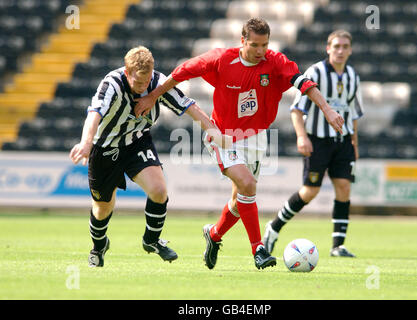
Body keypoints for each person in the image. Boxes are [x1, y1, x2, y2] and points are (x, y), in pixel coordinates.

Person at [134, 18, 344, 270]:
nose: (260, 51)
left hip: (257, 137)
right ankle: (259, 249)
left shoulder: (275, 61)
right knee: (248, 184)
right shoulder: (222, 59)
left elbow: (304, 84)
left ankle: (213, 235)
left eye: (264, 44)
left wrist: (328, 110)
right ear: (242, 40)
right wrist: (152, 97)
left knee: (239, 200)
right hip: (223, 134)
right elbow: (181, 73)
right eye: (254, 44)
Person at [69, 46, 229, 267]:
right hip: (105, 147)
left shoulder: (157, 83)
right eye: (137, 83)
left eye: (146, 82)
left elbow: (188, 106)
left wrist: (214, 132)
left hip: (136, 142)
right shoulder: (112, 84)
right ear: (127, 73)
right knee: (103, 206)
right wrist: (86, 143)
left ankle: (151, 241)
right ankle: (98, 247)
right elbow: (94, 113)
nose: (143, 88)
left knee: (159, 190)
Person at [263, 30, 364, 257]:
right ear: (328, 48)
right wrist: (302, 136)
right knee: (310, 191)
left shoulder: (353, 76)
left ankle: (338, 245)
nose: (340, 50)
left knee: (344, 188)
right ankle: (274, 226)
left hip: (343, 141)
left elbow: (354, 114)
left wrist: (354, 142)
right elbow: (297, 110)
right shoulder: (315, 72)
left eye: (345, 46)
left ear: (350, 50)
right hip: (318, 140)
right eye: (336, 46)